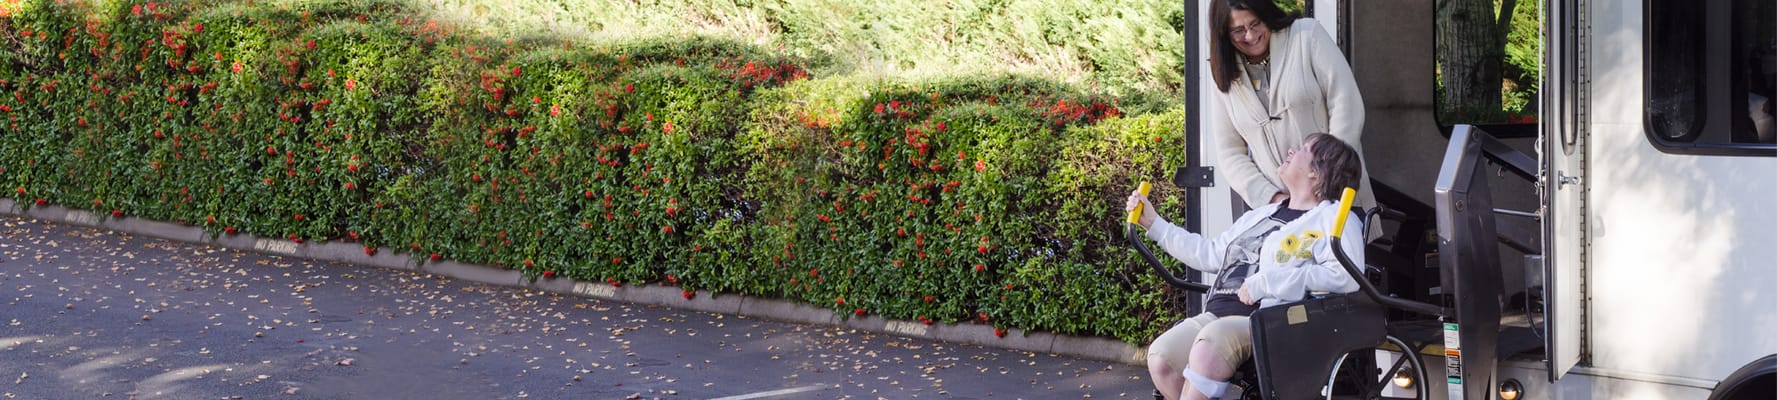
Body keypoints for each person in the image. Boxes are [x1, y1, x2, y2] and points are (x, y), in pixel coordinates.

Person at [1127, 133, 1366, 400]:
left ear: (1317, 172)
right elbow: (1210, 253)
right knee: (1162, 357)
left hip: (1271, 320)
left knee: (1208, 348)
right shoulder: (1261, 215)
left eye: (1302, 149)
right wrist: (1154, 224)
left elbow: (1345, 276)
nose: (1290, 150)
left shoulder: (1335, 217)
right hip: (1218, 314)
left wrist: (1267, 283)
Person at [1208, 0, 1376, 219]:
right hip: (1281, 213)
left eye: (1255, 23)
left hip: (1338, 198)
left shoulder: (1306, 35)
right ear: (1223, 33)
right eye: (1238, 30)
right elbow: (1230, 153)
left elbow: (1346, 103)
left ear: (1266, 13)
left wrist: (1328, 178)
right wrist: (1274, 198)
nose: (1250, 35)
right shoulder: (1222, 73)